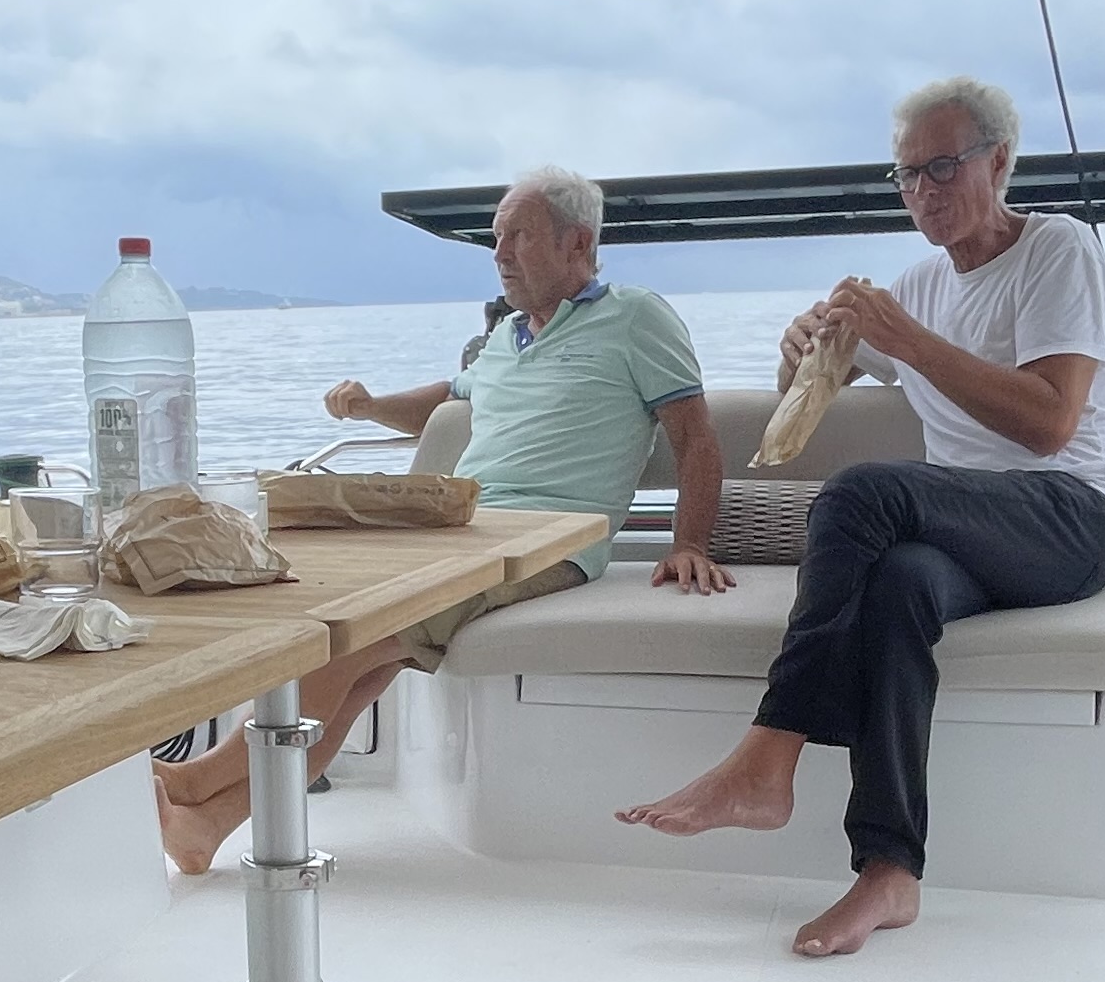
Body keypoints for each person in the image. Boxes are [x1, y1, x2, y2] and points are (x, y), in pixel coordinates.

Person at [617, 76, 1105, 957]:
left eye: (943, 167)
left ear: (999, 162)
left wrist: (906, 341)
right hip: (973, 536)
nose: (922, 191)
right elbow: (809, 393)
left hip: (1075, 517)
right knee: (898, 585)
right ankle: (889, 872)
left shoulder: (1058, 249)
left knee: (861, 492)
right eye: (906, 174)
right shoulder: (919, 285)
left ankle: (769, 756)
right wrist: (799, 355)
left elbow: (1051, 424)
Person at [152, 164, 730, 874]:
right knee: (354, 674)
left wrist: (689, 541)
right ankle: (205, 828)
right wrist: (370, 407)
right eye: (495, 237)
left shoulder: (636, 316)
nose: (499, 253)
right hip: (464, 530)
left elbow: (695, 437)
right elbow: (443, 400)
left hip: (550, 542)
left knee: (344, 642)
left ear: (578, 242)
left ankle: (193, 781)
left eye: (518, 236)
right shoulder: (507, 337)